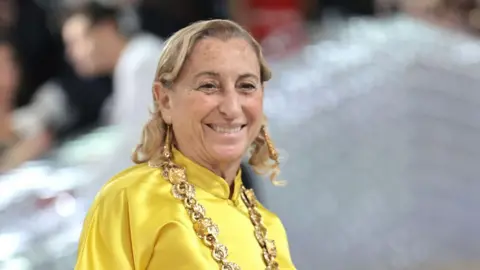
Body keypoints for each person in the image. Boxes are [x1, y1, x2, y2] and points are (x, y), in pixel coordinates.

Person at [74, 19, 296, 269]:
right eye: (209, 86)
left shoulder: (268, 226)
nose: (232, 108)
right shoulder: (125, 205)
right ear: (165, 101)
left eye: (246, 86)